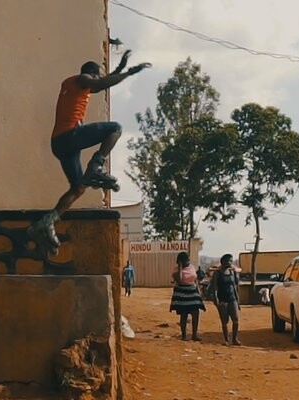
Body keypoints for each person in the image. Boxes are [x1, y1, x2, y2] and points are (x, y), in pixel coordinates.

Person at [28, 52, 151, 252]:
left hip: (61, 144)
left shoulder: (77, 86)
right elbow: (99, 83)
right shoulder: (82, 79)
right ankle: (96, 165)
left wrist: (120, 68)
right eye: (98, 75)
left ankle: (47, 221)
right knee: (115, 128)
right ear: (92, 74)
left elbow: (102, 82)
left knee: (78, 188)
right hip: (70, 136)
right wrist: (129, 73)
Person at [169, 251, 205, 341]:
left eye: (188, 260)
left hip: (192, 291)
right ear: (180, 261)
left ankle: (194, 335)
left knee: (195, 312)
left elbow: (195, 279)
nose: (188, 262)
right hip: (182, 293)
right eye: (186, 260)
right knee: (184, 314)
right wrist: (180, 267)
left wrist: (199, 292)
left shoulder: (192, 267)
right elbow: (179, 280)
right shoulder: (176, 270)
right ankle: (184, 335)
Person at [208, 254, 242, 345]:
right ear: (223, 262)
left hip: (232, 298)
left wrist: (237, 299)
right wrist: (216, 298)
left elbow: (234, 286)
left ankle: (234, 339)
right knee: (224, 321)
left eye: (231, 261)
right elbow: (215, 287)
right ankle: (226, 340)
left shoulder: (232, 272)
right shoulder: (217, 273)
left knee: (236, 319)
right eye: (228, 261)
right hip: (222, 299)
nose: (230, 263)